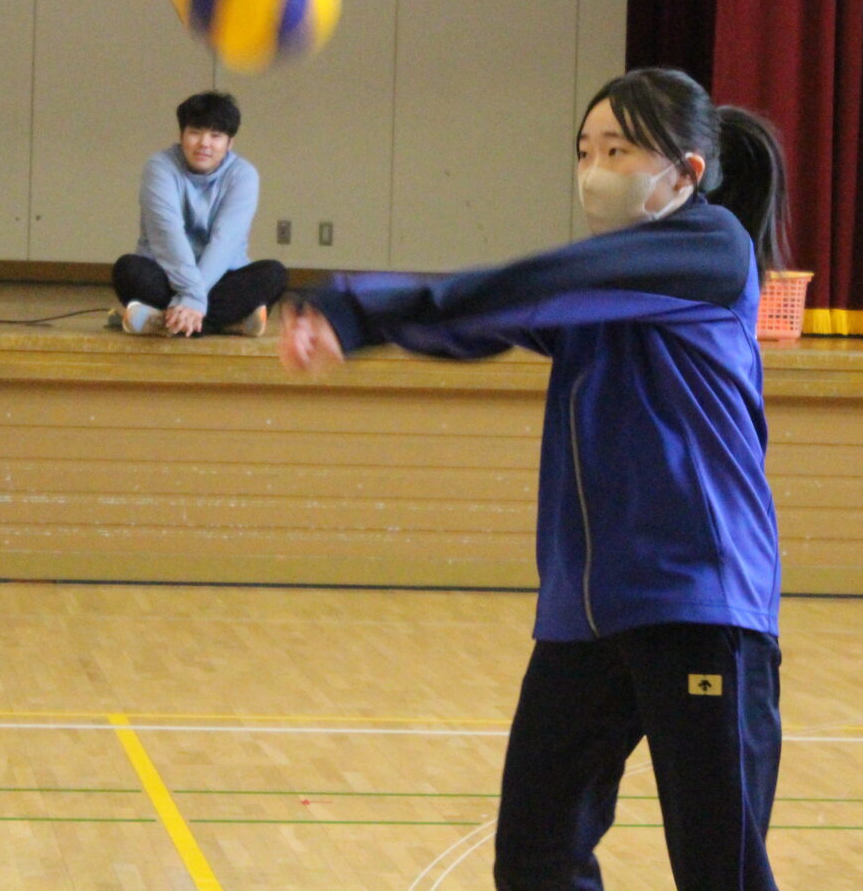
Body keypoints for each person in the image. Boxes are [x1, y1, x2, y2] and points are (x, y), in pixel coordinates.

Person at [281, 68, 791, 891]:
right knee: (536, 855)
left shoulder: (709, 246)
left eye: (618, 150)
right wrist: (360, 320)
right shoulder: (605, 280)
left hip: (700, 599)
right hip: (586, 615)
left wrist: (357, 308)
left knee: (720, 871)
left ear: (686, 171)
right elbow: (495, 316)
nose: (594, 169)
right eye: (585, 150)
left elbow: (533, 284)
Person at [110, 90, 287, 337]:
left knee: (273, 274)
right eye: (195, 132)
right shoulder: (160, 167)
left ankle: (163, 321)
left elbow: (225, 242)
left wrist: (193, 299)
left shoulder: (243, 175)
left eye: (216, 136)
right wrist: (192, 297)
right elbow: (167, 236)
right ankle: (225, 323)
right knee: (128, 269)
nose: (204, 143)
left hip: (219, 277)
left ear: (229, 143)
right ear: (181, 135)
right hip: (167, 271)